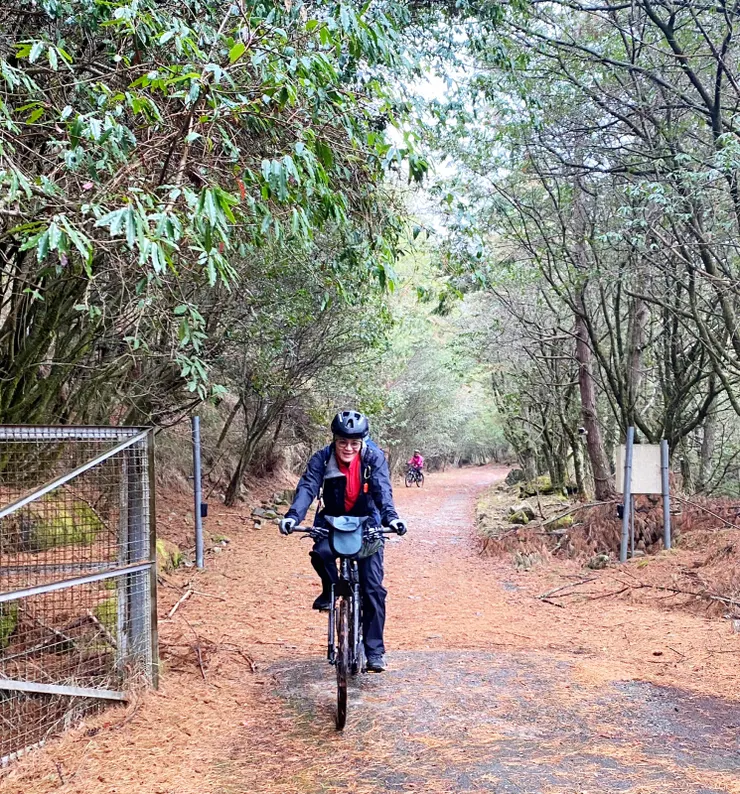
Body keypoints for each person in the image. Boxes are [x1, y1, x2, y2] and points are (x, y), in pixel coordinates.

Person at [278, 410, 407, 672]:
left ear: (363, 442)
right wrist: (293, 516)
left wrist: (391, 519)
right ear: (334, 440)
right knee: (320, 552)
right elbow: (308, 487)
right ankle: (330, 588)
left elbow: (383, 490)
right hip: (331, 519)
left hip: (366, 521)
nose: (348, 448)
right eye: (342, 442)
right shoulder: (322, 459)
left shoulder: (373, 458)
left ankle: (374, 651)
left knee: (372, 588)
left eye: (354, 443)